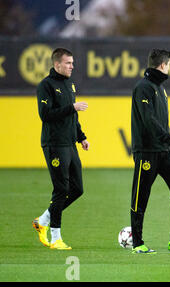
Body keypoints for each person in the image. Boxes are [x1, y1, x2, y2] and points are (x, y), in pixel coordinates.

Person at [129, 49, 170, 254]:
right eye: (169, 65)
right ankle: (138, 244)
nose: (169, 69)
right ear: (162, 65)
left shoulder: (160, 88)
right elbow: (149, 120)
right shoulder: (143, 88)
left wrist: (169, 143)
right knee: (141, 197)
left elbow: (158, 121)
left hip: (164, 151)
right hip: (147, 152)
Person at [33, 48, 89, 250]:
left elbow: (73, 116)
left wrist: (81, 137)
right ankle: (55, 238)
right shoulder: (45, 86)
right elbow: (45, 114)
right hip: (54, 144)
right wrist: (72, 108)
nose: (72, 66)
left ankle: (43, 220)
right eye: (68, 63)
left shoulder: (69, 84)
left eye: (73, 63)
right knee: (61, 189)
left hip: (70, 143)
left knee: (77, 189)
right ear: (57, 64)